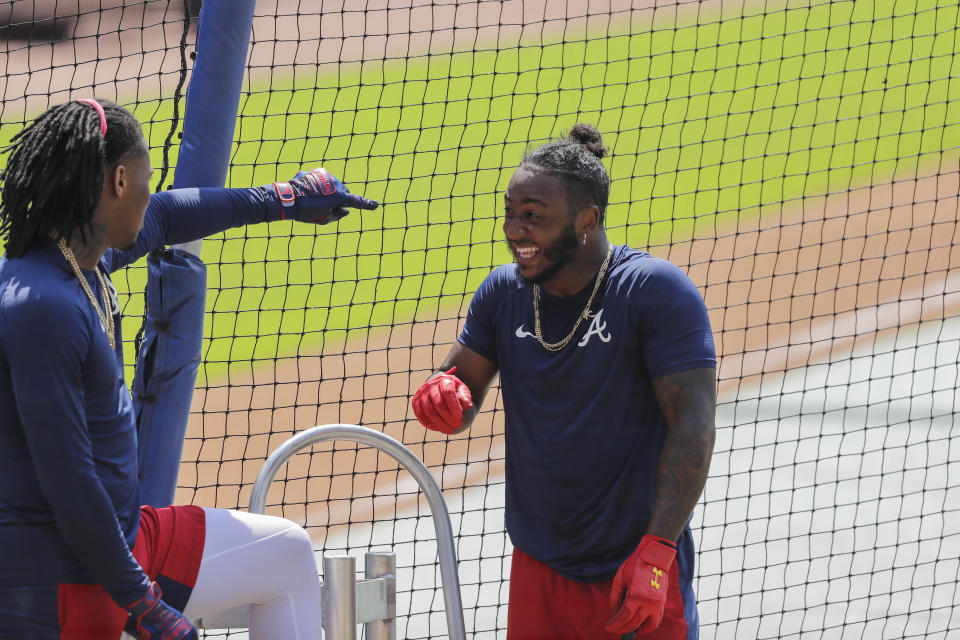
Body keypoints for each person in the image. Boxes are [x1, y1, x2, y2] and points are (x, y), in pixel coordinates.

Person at [0, 98, 378, 639]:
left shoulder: (83, 261)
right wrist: (143, 602)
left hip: (122, 539)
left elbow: (173, 213)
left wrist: (286, 198)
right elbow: (69, 482)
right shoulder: (40, 305)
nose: (151, 192)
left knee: (286, 555)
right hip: (62, 579)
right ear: (121, 180)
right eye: (148, 177)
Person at [411, 124, 717, 639]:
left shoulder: (653, 292)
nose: (514, 229)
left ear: (586, 220)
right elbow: (461, 387)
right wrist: (442, 393)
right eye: (510, 212)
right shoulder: (504, 293)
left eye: (533, 216)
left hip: (636, 566)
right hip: (540, 569)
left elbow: (694, 423)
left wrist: (659, 553)